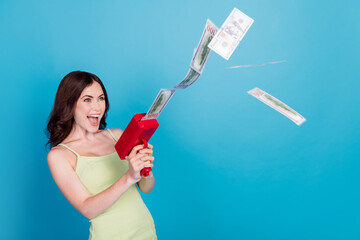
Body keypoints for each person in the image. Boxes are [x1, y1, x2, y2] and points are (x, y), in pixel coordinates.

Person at [46, 71, 157, 239]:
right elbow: (88, 209)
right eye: (87, 99)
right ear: (69, 104)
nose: (97, 107)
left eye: (101, 98)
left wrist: (144, 166)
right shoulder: (60, 156)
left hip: (145, 231)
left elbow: (146, 188)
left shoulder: (117, 136)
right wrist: (129, 177)